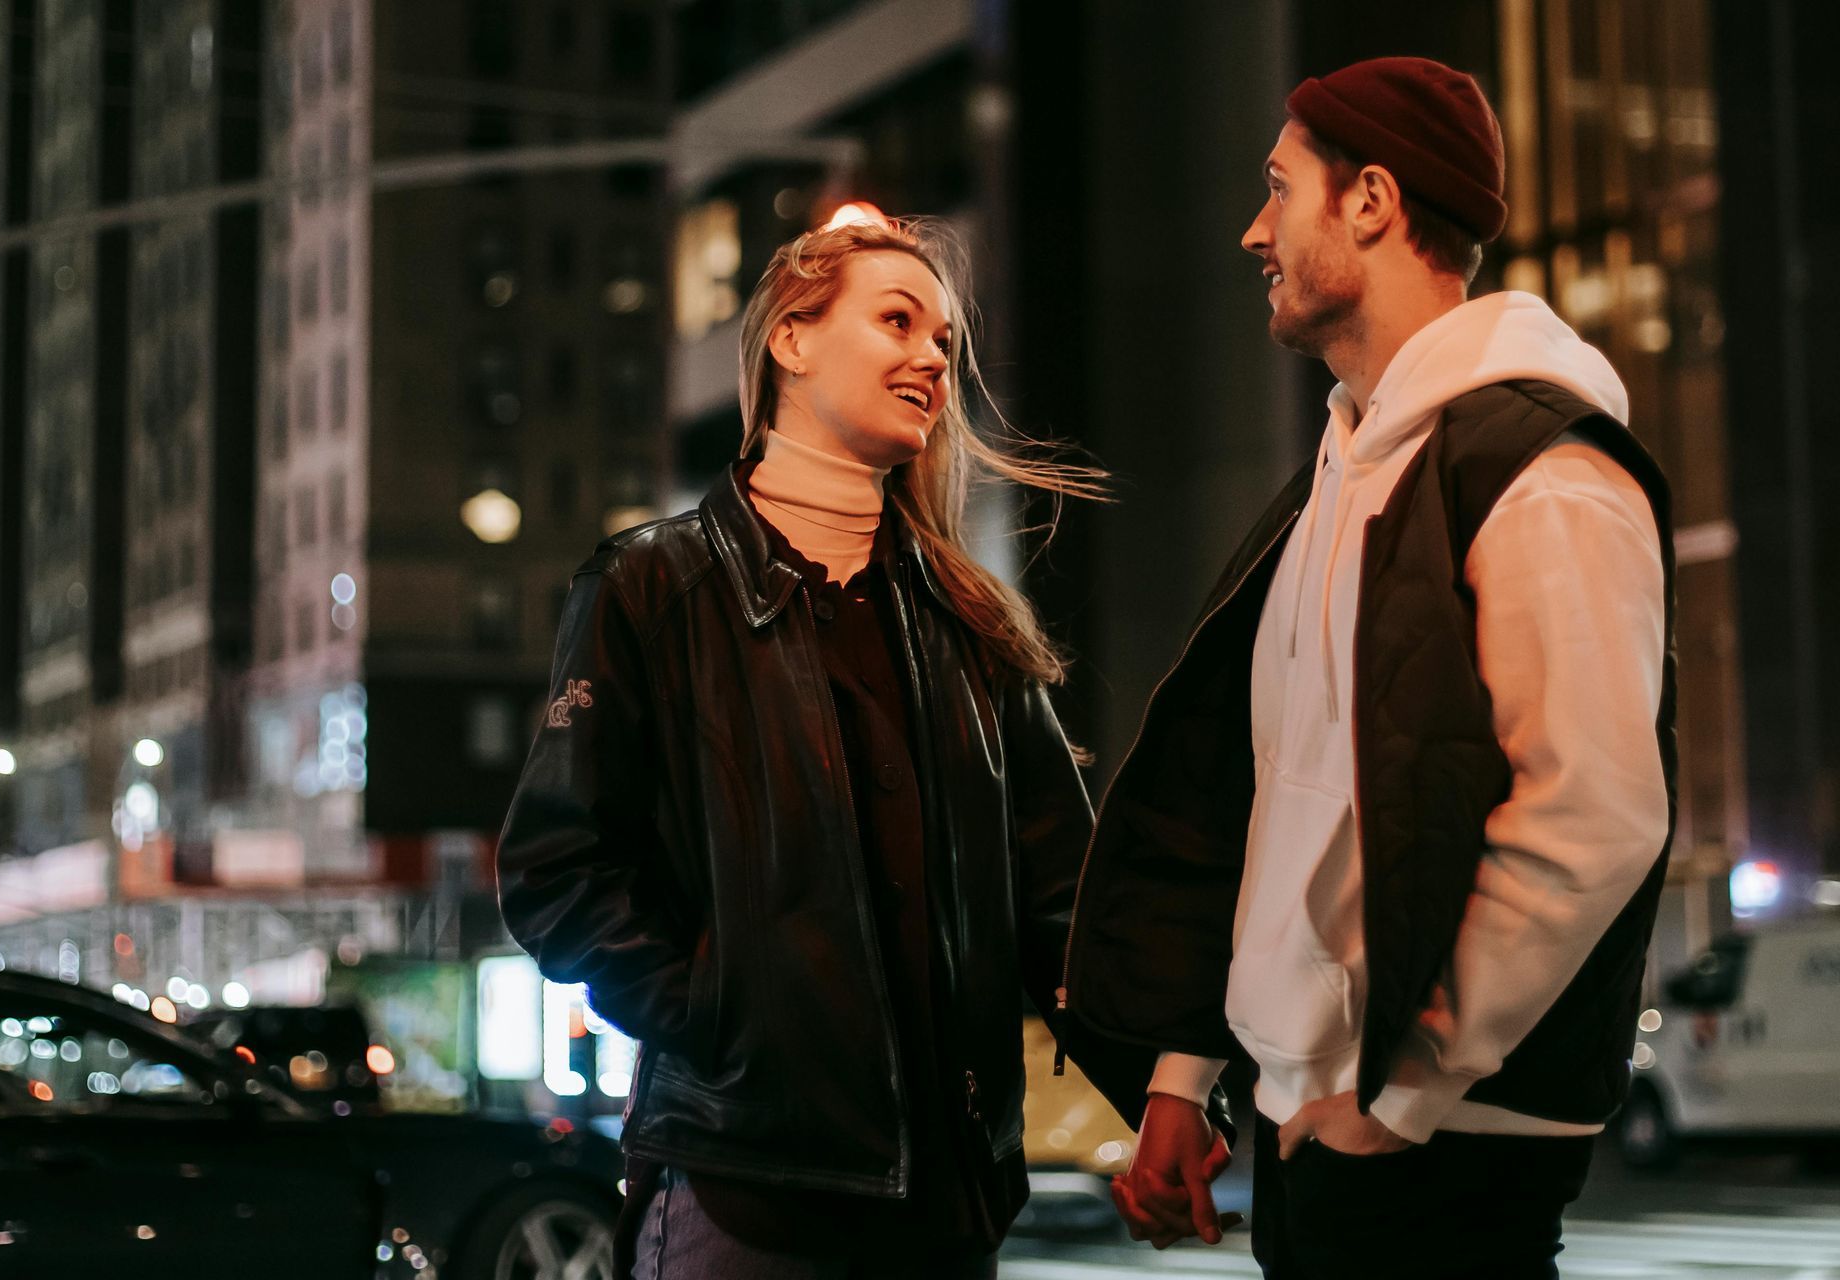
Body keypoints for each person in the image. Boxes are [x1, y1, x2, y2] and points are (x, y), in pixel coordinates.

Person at [1060, 57, 1676, 1279]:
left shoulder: (1538, 466)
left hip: (1441, 1148)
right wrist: (1189, 1072)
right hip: (1323, 1133)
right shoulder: (1343, 473)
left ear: (1372, 203)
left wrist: (1399, 1093)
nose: (1253, 230)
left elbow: (1593, 814)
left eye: (1277, 189)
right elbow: (1256, 792)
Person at [497, 214, 1199, 1278]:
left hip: (949, 1210)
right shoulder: (652, 587)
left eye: (946, 342)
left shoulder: (972, 621)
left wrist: (1166, 1085)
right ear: (792, 337)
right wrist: (724, 1018)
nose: (932, 358)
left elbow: (1064, 897)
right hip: (745, 1198)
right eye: (899, 320)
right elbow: (556, 869)